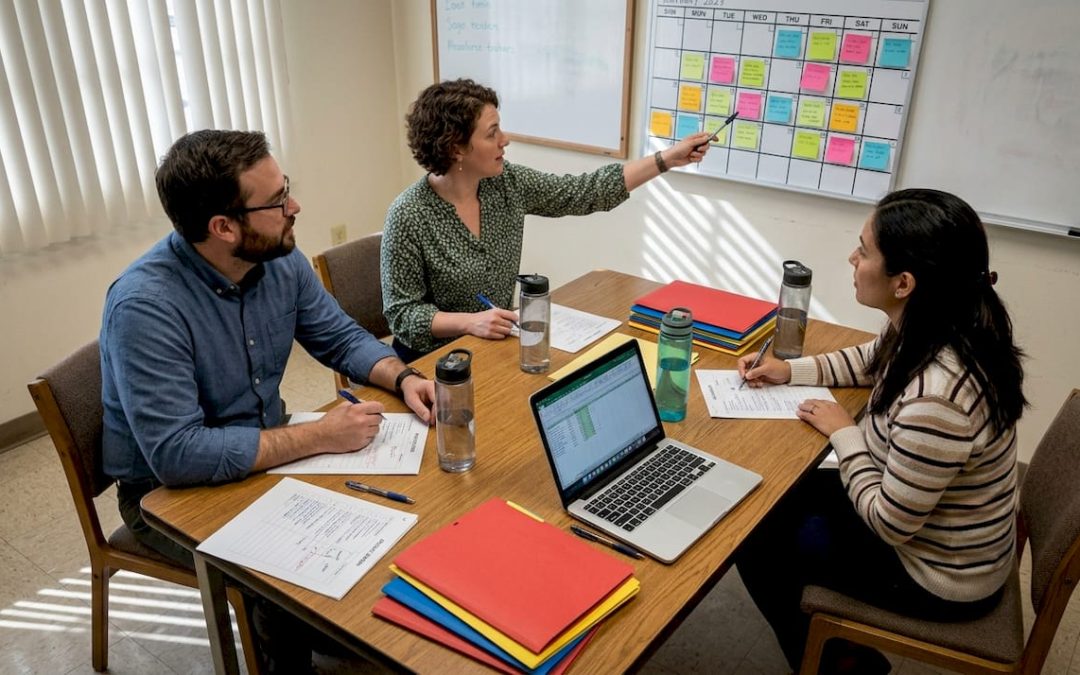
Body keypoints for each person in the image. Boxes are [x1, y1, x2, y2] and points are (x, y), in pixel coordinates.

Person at [100, 129, 435, 673]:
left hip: (264, 461)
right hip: (167, 498)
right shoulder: (145, 307)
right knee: (281, 579)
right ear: (224, 227)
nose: (294, 206)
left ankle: (336, 641)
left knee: (395, 519)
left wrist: (403, 378)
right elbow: (178, 455)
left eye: (288, 189)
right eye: (278, 200)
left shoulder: (279, 259)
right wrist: (318, 436)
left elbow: (341, 337)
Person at [734, 189, 1026, 674]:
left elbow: (890, 523)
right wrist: (792, 371)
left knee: (756, 540)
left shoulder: (938, 399)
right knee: (773, 496)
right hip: (938, 529)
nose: (852, 258)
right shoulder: (947, 321)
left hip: (938, 575)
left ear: (904, 282)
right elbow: (873, 360)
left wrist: (844, 432)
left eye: (864, 250)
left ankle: (840, 666)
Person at [382, 78, 717, 361]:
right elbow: (403, 315)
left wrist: (666, 160)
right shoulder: (409, 214)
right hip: (432, 364)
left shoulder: (506, 184)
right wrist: (468, 322)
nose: (505, 139)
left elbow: (583, 192)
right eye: (492, 133)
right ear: (456, 148)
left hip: (494, 348)